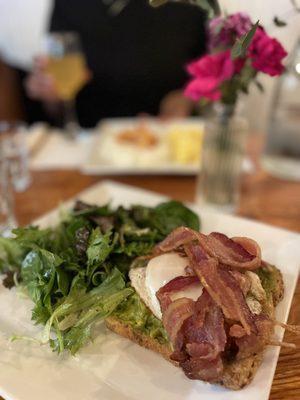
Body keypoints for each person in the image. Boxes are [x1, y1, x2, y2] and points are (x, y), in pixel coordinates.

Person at [24, 0, 207, 127]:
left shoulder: (191, 5)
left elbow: (209, 77)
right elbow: (56, 101)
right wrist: (50, 93)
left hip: (172, 144)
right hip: (87, 144)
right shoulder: (71, 4)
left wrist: (188, 98)